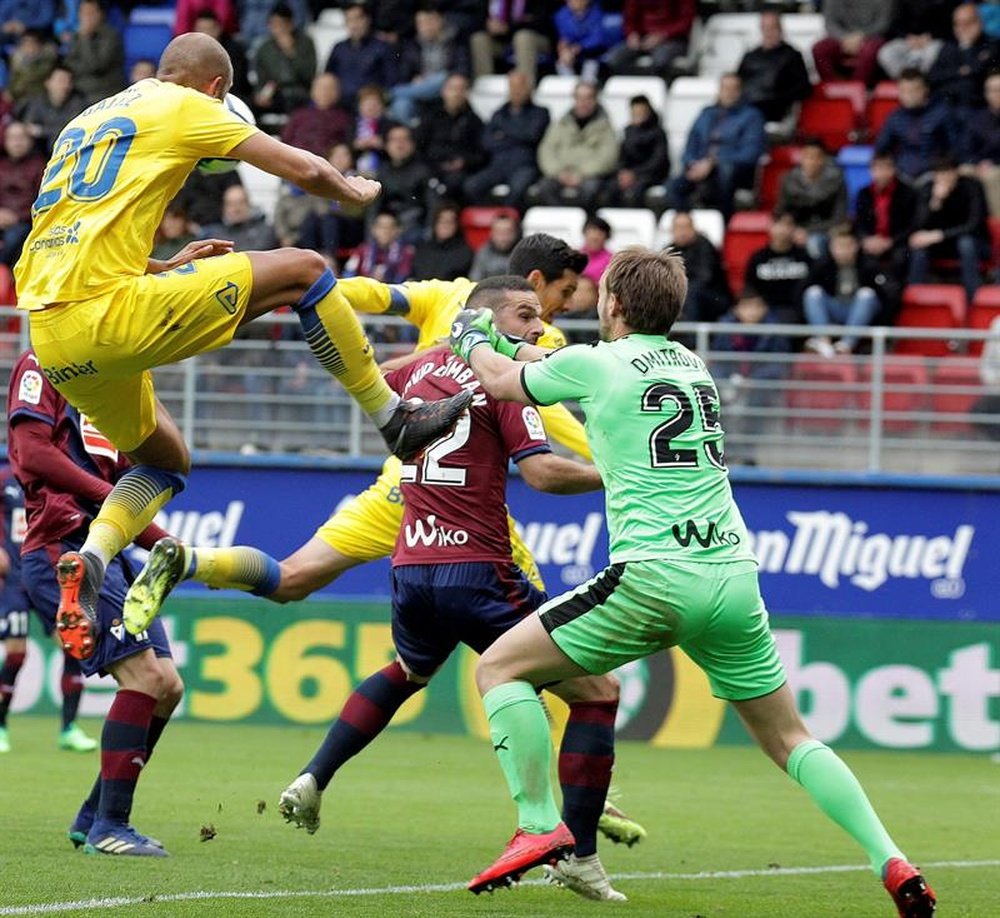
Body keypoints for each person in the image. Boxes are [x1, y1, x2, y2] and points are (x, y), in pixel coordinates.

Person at [448, 247, 938, 916]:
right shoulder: (693, 367)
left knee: (501, 669)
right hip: (732, 575)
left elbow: (503, 382)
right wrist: (523, 350)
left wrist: (473, 336)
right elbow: (561, 366)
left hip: (654, 575)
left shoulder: (597, 364)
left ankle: (538, 824)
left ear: (613, 304)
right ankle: (892, 860)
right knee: (791, 738)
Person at [123, 235, 648, 852]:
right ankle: (575, 797)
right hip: (469, 516)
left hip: (398, 491)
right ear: (533, 283)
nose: (556, 312)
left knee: (298, 583)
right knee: (540, 655)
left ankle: (193, 560)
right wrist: (619, 465)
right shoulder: (532, 348)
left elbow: (365, 300)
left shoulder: (442, 299)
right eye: (557, 295)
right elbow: (546, 430)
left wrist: (267, 283)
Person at [13, 32, 470, 666]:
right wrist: (353, 190)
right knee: (307, 270)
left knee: (165, 460)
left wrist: (165, 264)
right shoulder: (185, 105)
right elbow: (303, 169)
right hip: (110, 316)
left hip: (52, 337)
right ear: (217, 90)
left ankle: (92, 558)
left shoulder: (83, 124)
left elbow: (65, 234)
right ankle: (393, 419)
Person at [277, 276, 628, 901]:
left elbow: (380, 376)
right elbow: (543, 475)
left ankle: (313, 777)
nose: (536, 328)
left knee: (410, 670)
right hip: (479, 569)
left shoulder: (416, 377)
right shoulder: (502, 381)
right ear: (485, 320)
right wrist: (618, 474)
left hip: (411, 568)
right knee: (597, 692)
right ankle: (572, 849)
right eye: (524, 316)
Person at [6, 348, 181, 855]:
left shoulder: (112, 384)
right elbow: (32, 451)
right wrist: (110, 498)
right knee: (145, 677)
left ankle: (93, 818)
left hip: (109, 549)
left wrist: (176, 549)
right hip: (65, 548)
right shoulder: (45, 361)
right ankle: (111, 827)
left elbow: (124, 501)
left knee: (167, 686)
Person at [0, 463, 98, 754]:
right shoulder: (5, 479)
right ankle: (1, 726)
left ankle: (69, 729)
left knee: (73, 644)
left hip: (47, 576)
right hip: (14, 580)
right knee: (17, 654)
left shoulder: (59, 477)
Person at [667, 73, 766, 219]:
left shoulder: (752, 116)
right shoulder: (706, 113)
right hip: (700, 170)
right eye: (726, 88)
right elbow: (690, 145)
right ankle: (688, 224)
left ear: (741, 91)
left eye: (734, 89)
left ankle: (722, 223)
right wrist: (692, 163)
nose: (729, 93)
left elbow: (750, 153)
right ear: (719, 90)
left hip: (732, 172)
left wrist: (714, 162)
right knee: (673, 187)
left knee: (724, 174)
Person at [463, 69, 550, 209]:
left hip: (524, 166)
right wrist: (517, 136)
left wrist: (504, 134)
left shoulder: (540, 112)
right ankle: (491, 218)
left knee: (517, 189)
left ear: (529, 88)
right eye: (513, 87)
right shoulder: (499, 113)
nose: (517, 91)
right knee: (471, 186)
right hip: (498, 165)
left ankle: (509, 221)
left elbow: (531, 135)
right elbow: (487, 141)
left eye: (520, 86)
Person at [907, 156, 990, 300]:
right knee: (919, 246)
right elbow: (918, 226)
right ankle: (914, 297)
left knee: (966, 243)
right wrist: (936, 202)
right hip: (941, 246)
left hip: (974, 243)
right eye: (939, 174)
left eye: (948, 173)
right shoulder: (928, 189)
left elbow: (973, 225)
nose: (944, 178)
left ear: (956, 172)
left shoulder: (972, 187)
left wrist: (940, 235)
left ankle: (973, 298)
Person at [802, 225, 893, 355]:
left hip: (861, 312)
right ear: (831, 247)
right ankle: (823, 341)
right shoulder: (822, 266)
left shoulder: (869, 265)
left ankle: (846, 344)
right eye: (838, 246)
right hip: (834, 310)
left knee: (866, 294)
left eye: (846, 246)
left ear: (855, 246)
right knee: (813, 292)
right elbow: (801, 292)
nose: (842, 251)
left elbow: (887, 295)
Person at [531, 80, 618, 209]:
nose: (583, 103)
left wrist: (581, 174)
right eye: (579, 98)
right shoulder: (561, 123)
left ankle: (582, 222)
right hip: (560, 173)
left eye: (588, 98)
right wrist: (558, 172)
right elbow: (546, 150)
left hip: (589, 176)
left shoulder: (605, 126)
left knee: (592, 189)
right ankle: (560, 219)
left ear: (595, 99)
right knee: (544, 187)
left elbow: (608, 157)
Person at [388, 3, 470, 124]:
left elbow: (462, 67)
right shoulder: (412, 46)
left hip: (445, 85)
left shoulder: (454, 41)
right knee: (401, 105)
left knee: (441, 78)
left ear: (440, 21)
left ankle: (392, 93)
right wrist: (414, 78)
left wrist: (449, 79)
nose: (427, 26)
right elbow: (404, 73)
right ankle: (415, 133)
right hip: (422, 89)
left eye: (430, 21)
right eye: (422, 23)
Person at [875, 69, 955, 182]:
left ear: (925, 90)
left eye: (913, 90)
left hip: (933, 174)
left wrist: (943, 169)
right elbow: (881, 148)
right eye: (904, 90)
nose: (909, 95)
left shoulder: (941, 114)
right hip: (902, 174)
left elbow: (954, 147)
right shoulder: (895, 117)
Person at [776, 137, 848, 259]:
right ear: (801, 158)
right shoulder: (788, 180)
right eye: (807, 156)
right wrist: (792, 229)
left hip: (826, 230)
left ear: (824, 159)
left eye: (816, 157)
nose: (812, 161)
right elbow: (782, 211)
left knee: (814, 243)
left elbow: (839, 217)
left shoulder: (837, 180)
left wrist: (808, 232)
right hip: (795, 230)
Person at [737, 11, 812, 127]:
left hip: (774, 111)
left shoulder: (792, 56)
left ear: (781, 29)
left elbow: (803, 88)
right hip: (747, 107)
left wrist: (776, 99)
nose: (769, 32)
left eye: (773, 27)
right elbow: (738, 83)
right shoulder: (750, 57)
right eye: (765, 28)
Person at [853, 151, 919, 284]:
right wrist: (866, 239)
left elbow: (912, 225)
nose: (882, 172)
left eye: (886, 167)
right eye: (877, 168)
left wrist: (890, 241)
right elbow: (858, 223)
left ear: (893, 169)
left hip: (896, 242)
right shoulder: (864, 193)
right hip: (871, 242)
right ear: (871, 170)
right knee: (858, 256)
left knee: (900, 258)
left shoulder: (907, 192)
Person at [597, 93, 669, 210]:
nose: (638, 115)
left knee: (637, 191)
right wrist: (622, 172)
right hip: (629, 174)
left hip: (649, 175)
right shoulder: (628, 131)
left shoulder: (658, 133)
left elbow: (658, 161)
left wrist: (635, 174)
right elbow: (622, 156)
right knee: (611, 188)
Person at [743, 211, 812, 324]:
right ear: (770, 226)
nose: (782, 230)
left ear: (794, 228)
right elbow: (750, 288)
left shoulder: (804, 256)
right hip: (765, 312)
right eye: (778, 224)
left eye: (788, 225)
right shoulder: (758, 258)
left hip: (797, 312)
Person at [324, 2, 398, 108]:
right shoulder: (339, 48)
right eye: (349, 20)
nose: (354, 25)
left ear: (368, 20)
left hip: (369, 104)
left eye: (358, 19)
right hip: (340, 103)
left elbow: (391, 81)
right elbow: (328, 76)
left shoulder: (382, 48)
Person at [251, 2, 317, 116]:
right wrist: (261, 94)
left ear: (290, 24)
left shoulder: (306, 43)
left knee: (297, 99)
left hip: (300, 91)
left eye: (281, 24)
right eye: (273, 24)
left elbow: (309, 74)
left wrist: (290, 52)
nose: (277, 29)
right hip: (275, 93)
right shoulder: (264, 48)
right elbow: (261, 78)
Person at [604, 0, 695, 80]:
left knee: (660, 60)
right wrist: (632, 34)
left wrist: (663, 35)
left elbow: (686, 23)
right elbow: (629, 18)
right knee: (613, 59)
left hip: (673, 39)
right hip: (642, 39)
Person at [811, 0, 892, 87]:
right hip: (842, 38)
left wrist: (861, 36)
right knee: (819, 49)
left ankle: (856, 87)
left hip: (871, 36)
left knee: (869, 50)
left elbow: (883, 24)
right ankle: (833, 86)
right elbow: (830, 23)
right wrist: (844, 38)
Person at [0, 120, 45, 268]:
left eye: (21, 138)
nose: (17, 143)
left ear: (30, 140)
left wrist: (17, 217)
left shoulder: (40, 166)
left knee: (13, 239)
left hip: (24, 222)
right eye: (12, 138)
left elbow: (43, 201)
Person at [15, 62, 87, 154]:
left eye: (69, 81)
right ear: (48, 82)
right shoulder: (37, 102)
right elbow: (29, 126)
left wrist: (42, 131)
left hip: (68, 150)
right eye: (60, 81)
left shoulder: (78, 103)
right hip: (39, 152)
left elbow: (72, 131)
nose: (65, 86)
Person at [63, 0, 125, 104]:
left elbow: (96, 66)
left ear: (100, 14)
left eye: (90, 13)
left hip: (104, 92)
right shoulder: (76, 36)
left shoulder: (111, 36)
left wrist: (85, 38)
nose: (86, 17)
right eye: (83, 13)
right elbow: (69, 63)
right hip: (79, 90)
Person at [343, 210, 415, 283]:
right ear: (373, 229)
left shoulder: (406, 251)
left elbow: (403, 276)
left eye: (389, 227)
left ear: (397, 230)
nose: (385, 231)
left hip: (392, 290)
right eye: (380, 227)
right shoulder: (363, 249)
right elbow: (349, 272)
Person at [411, 201, 473, 281]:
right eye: (441, 221)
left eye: (449, 222)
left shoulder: (465, 253)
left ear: (457, 225)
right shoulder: (422, 249)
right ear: (434, 224)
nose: (445, 225)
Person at [469, 211, 520, 280]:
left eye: (508, 232)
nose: (503, 237)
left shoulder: (522, 252)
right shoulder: (483, 252)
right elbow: (475, 280)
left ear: (516, 232)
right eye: (499, 232)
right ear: (491, 233)